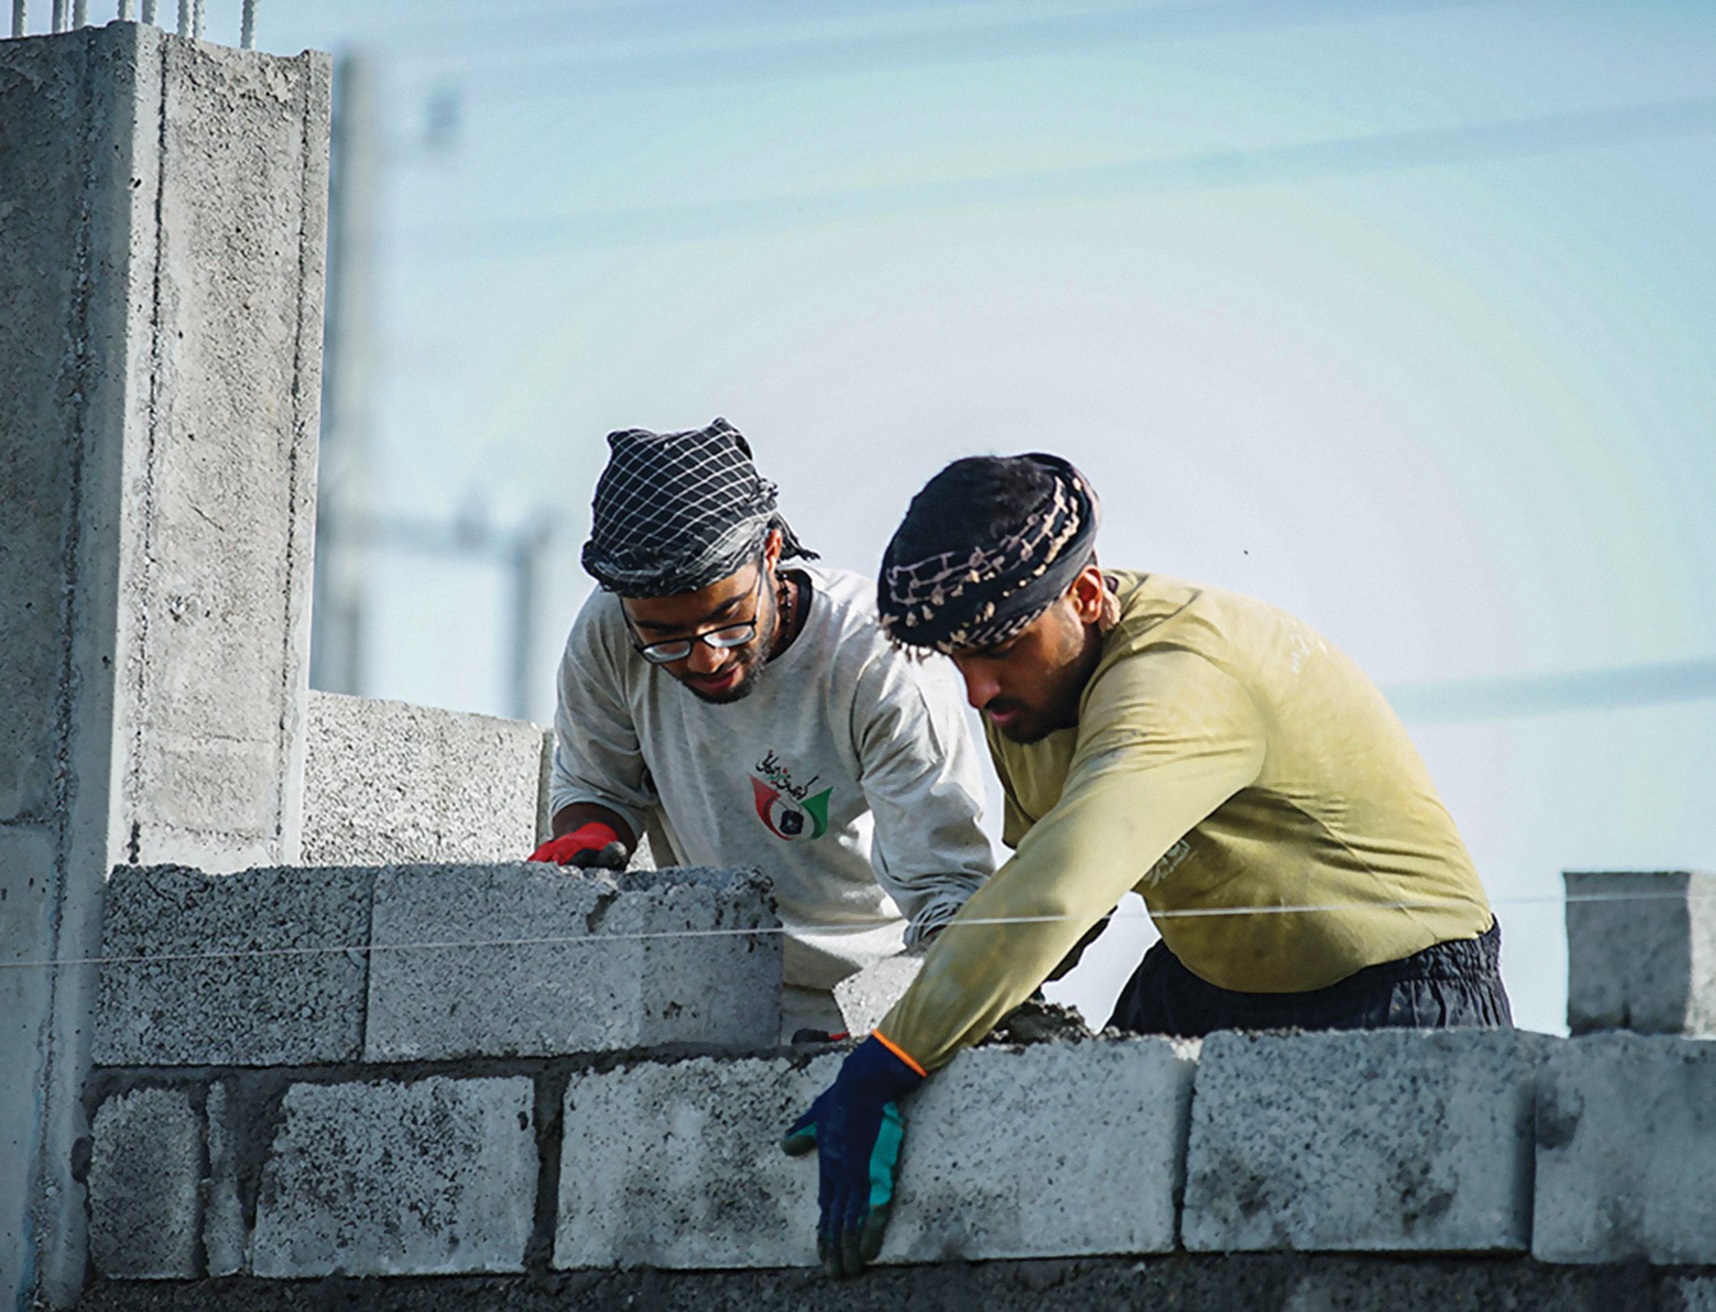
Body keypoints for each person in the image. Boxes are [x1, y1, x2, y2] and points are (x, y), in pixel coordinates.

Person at [783, 451, 1511, 1275]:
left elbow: (1057, 887)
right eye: (957, 661)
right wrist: (961, 1024)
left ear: (1087, 596)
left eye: (1002, 650)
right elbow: (1055, 906)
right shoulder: (1026, 692)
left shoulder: (1179, 680)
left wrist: (888, 1061)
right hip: (1208, 982)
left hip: (1397, 996)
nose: (979, 690)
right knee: (1108, 1253)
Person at [530, 418, 994, 1038]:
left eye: (728, 620)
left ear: (770, 551)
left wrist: (900, 1031)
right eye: (664, 638)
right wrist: (588, 839)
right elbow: (597, 789)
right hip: (707, 987)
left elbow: (949, 894)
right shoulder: (608, 634)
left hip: (871, 1000)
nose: (705, 658)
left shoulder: (876, 664)